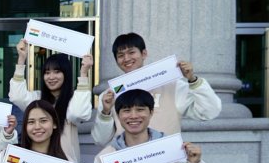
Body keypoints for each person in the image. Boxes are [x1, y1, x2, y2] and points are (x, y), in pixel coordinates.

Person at [92, 32, 221, 147]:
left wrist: (193, 80)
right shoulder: (110, 94)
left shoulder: (172, 86)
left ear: (144, 53)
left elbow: (209, 112)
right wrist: (106, 112)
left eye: (131, 52)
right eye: (120, 55)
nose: (126, 59)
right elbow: (100, 140)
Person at [9, 43, 93, 162]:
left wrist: (84, 74)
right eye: (47, 73)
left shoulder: (75, 99)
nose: (51, 77)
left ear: (66, 74)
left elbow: (78, 113)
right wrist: (21, 59)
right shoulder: (38, 99)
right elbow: (17, 96)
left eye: (57, 72)